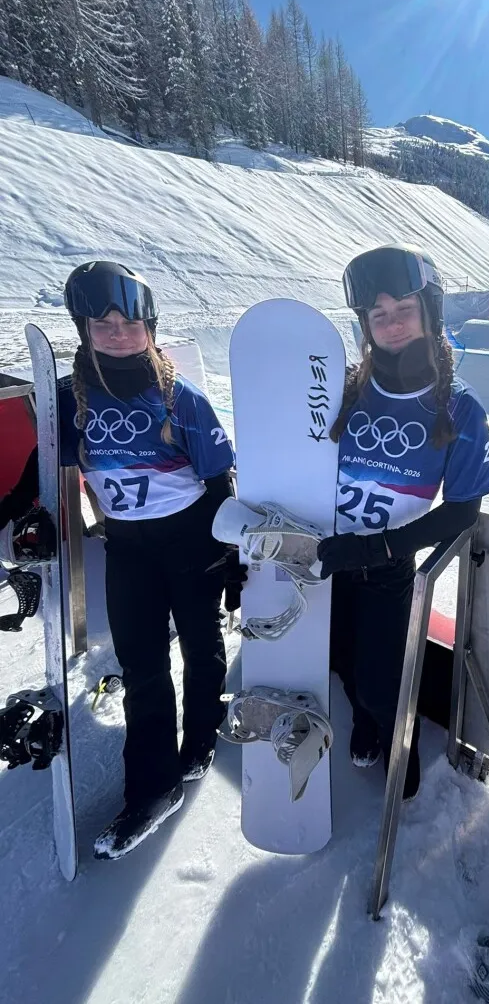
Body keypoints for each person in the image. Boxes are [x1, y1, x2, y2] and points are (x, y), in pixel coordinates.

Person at [0, 261, 242, 859]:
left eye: (129, 324)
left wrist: (232, 555)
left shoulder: (181, 398)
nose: (117, 333)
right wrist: (11, 513)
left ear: (149, 328)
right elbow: (37, 472)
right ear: (83, 329)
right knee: (142, 665)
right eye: (102, 324)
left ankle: (202, 737)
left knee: (201, 643)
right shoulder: (68, 400)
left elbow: (220, 481)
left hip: (192, 540)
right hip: (129, 547)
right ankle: (151, 789)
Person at [317, 244, 489, 800]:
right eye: (378, 314)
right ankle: (365, 723)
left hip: (388, 565)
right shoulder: (349, 388)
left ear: (429, 313)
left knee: (382, 679)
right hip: (333, 553)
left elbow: (464, 510)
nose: (392, 324)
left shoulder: (460, 407)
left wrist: (378, 549)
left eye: (404, 310)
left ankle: (402, 742)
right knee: (340, 660)